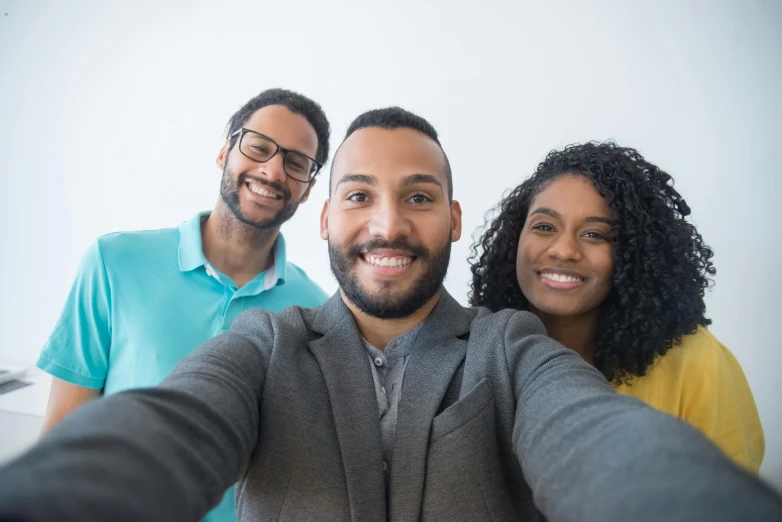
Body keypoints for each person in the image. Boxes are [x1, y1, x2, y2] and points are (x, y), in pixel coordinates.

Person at [1, 109, 781, 522]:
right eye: (358, 195)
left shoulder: (513, 345)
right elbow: (171, 423)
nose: (387, 225)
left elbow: (601, 442)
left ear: (454, 219)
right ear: (325, 222)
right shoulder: (264, 343)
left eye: (418, 197)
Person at [35, 88, 331, 522]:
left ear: (307, 190)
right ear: (224, 152)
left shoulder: (315, 312)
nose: (272, 170)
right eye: (258, 146)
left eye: (296, 163)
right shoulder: (114, 263)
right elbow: (62, 430)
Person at [469, 142, 764, 472]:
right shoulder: (476, 355)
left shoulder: (698, 364)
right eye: (544, 227)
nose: (563, 250)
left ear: (632, 255)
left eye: (595, 234)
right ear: (515, 239)